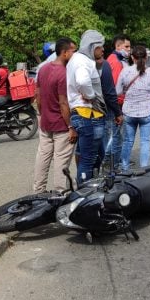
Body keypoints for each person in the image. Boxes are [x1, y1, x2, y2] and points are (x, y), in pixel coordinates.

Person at [33, 38, 78, 193]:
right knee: (61, 160)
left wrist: (42, 114)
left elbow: (37, 95)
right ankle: (60, 192)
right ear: (65, 53)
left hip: (45, 122)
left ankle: (38, 190)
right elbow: (63, 103)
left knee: (43, 157)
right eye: (73, 51)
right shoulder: (64, 74)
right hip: (61, 125)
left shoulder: (43, 69)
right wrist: (71, 126)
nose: (75, 54)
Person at [67, 29, 107, 184]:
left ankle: (90, 188)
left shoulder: (77, 59)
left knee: (90, 155)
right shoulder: (83, 62)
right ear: (91, 46)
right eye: (100, 46)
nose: (103, 49)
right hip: (88, 114)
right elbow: (83, 81)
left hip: (85, 114)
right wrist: (90, 95)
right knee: (88, 159)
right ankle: (84, 193)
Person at [116, 45, 150, 170]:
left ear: (132, 57)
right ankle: (144, 170)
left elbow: (118, 91)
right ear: (147, 57)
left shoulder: (125, 71)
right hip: (147, 112)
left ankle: (124, 168)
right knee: (145, 142)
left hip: (129, 112)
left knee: (127, 141)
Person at [96, 50, 124, 173]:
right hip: (108, 106)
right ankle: (109, 165)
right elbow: (111, 91)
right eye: (126, 46)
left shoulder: (80, 63)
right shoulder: (108, 63)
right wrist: (118, 112)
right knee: (112, 136)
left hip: (92, 109)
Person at [105, 34, 131, 165]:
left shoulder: (113, 58)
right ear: (118, 46)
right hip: (117, 104)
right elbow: (115, 88)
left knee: (113, 134)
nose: (129, 49)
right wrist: (118, 109)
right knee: (116, 136)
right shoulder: (115, 61)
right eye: (126, 46)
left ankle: (110, 162)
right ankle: (113, 165)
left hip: (113, 103)